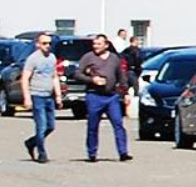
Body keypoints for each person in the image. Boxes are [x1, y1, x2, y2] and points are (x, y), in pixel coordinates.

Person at [75, 34, 133, 163]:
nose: (96, 46)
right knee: (93, 126)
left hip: (111, 96)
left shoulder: (114, 58)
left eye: (99, 44)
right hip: (94, 95)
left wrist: (126, 92)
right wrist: (92, 79)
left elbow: (121, 76)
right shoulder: (88, 57)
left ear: (106, 45)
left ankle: (123, 152)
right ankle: (92, 153)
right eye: (94, 44)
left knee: (118, 123)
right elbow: (77, 74)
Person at [21, 33, 62, 163]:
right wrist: (27, 98)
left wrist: (58, 96)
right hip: (37, 95)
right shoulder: (33, 59)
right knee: (41, 126)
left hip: (48, 96)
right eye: (44, 43)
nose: (48, 46)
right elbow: (25, 78)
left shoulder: (52, 58)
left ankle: (31, 142)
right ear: (37, 44)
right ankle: (42, 154)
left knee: (51, 126)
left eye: (49, 43)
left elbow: (54, 77)